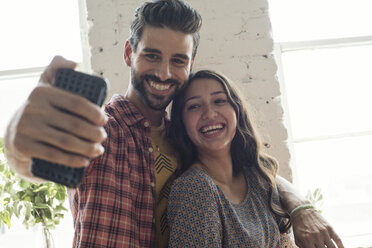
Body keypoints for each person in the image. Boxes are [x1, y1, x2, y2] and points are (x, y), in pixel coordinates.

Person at [3, 0, 344, 247]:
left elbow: (251, 168)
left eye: (178, 61)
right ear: (128, 54)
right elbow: (30, 158)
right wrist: (18, 137)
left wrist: (301, 207)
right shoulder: (102, 128)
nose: (164, 73)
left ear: (190, 64)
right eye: (151, 55)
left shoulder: (184, 137)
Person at [167, 69, 296, 247]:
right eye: (194, 106)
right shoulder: (195, 188)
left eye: (219, 101)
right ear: (182, 122)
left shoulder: (258, 175)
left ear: (237, 110)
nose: (210, 114)